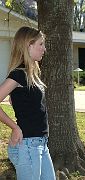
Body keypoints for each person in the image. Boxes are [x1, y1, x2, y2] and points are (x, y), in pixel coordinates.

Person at [0, 26, 56, 180]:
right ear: (28, 45)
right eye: (41, 44)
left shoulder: (31, 74)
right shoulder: (18, 74)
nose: (44, 49)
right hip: (28, 144)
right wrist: (14, 127)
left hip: (41, 144)